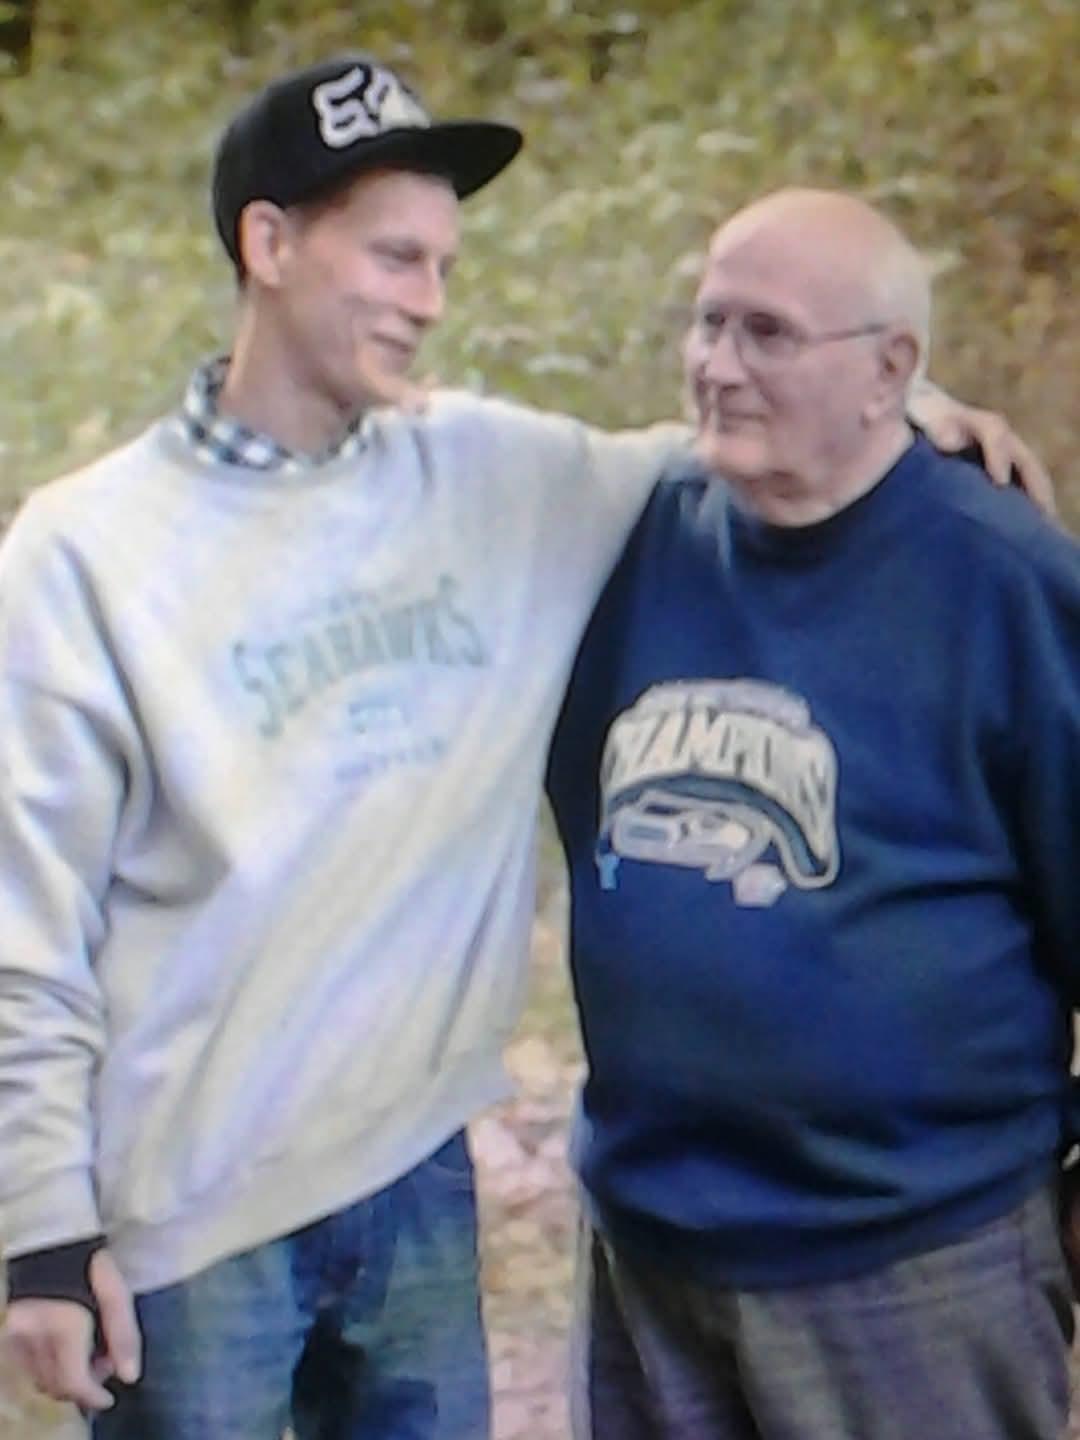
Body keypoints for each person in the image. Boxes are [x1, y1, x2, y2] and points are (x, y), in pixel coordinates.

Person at [0, 52, 1047, 1439]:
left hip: (418, 1183)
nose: (429, 301)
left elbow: (732, 435)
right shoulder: (86, 549)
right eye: (392, 258)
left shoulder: (492, 476)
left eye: (442, 262)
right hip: (194, 1230)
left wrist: (905, 411)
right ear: (268, 243)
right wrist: (41, 1228)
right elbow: (28, 917)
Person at [547, 187, 1080, 1440]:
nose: (717, 367)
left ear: (889, 367)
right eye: (706, 323)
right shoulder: (614, 541)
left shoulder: (1008, 586)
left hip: (915, 1263)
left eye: (768, 334)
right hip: (649, 1231)